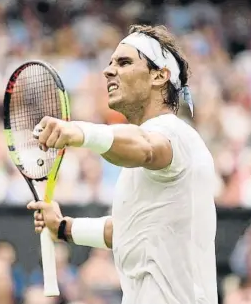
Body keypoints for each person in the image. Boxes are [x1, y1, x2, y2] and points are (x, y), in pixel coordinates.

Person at [28, 24, 218, 304]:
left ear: (158, 75)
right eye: (109, 63)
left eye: (124, 62)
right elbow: (127, 229)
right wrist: (64, 228)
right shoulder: (143, 159)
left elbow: (146, 147)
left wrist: (78, 132)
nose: (108, 71)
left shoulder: (175, 134)